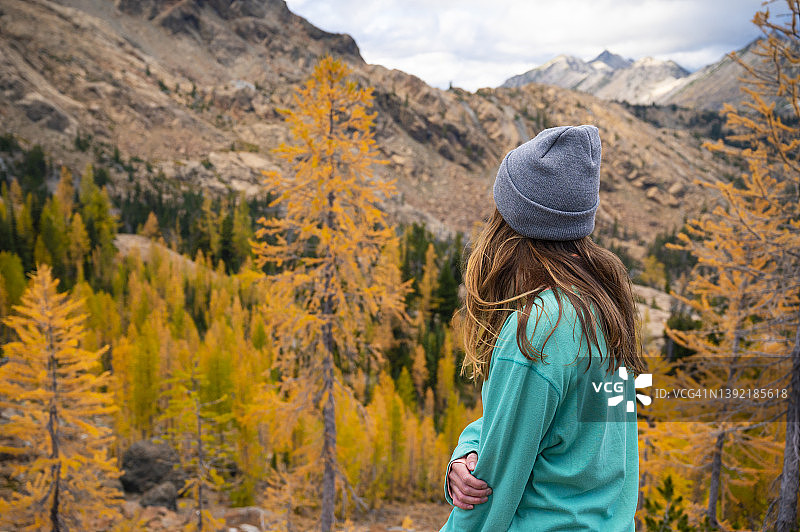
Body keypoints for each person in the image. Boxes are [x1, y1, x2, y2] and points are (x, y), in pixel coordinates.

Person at [440, 125, 646, 531]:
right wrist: (470, 448)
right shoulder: (604, 307)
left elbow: (493, 489)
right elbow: (553, 429)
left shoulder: (536, 332)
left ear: (512, 222)